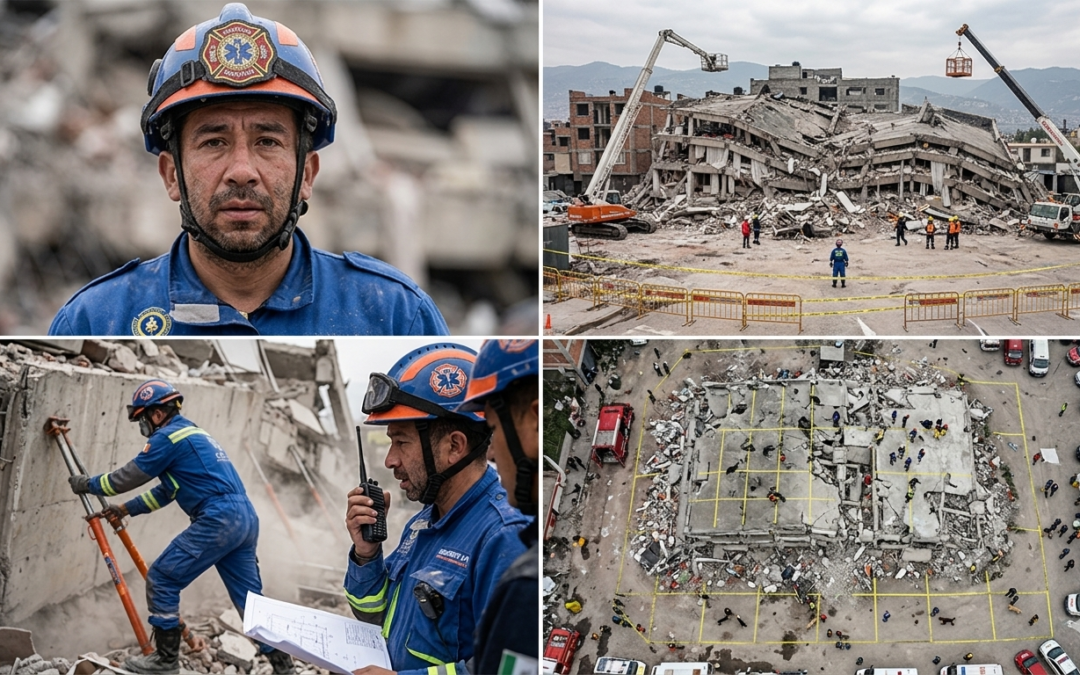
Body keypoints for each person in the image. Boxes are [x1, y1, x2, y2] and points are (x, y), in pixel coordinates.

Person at [48, 4, 446, 336]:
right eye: (214, 142)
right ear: (171, 175)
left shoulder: (395, 316)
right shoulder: (95, 320)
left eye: (267, 142)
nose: (242, 171)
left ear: (307, 174)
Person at [68, 380, 293, 675]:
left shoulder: (167, 438)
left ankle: (165, 659)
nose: (143, 426)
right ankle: (284, 668)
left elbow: (125, 478)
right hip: (244, 518)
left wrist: (88, 484)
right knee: (251, 602)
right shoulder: (195, 435)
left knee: (161, 578)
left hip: (219, 518)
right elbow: (167, 491)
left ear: (158, 413)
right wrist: (125, 510)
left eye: (143, 418)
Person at [343, 343, 529, 675]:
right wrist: (366, 553)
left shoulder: (503, 539)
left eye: (401, 442)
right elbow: (374, 612)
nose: (390, 461)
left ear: (453, 447)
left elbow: (503, 669)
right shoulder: (423, 522)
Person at [457, 340, 539, 674]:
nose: (490, 454)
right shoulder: (419, 525)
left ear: (535, 422)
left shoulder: (525, 588)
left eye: (492, 429)